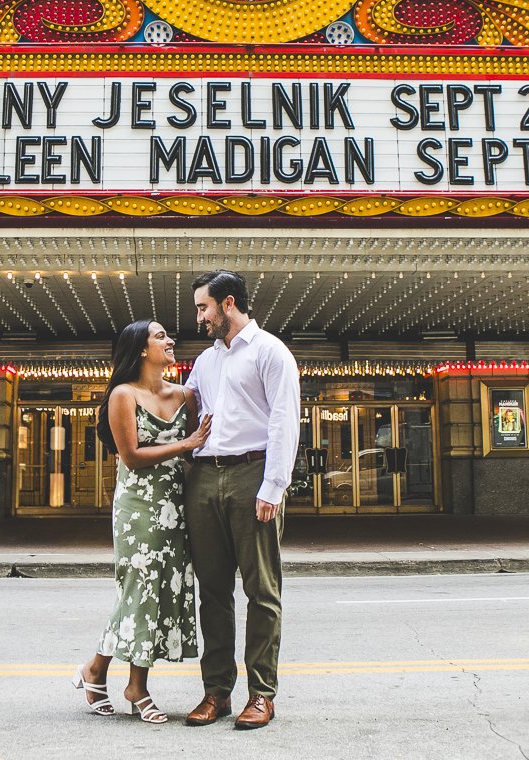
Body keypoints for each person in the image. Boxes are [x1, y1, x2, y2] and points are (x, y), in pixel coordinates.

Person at [73, 318, 210, 724]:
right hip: (138, 507)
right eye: (160, 336)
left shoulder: (186, 395)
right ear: (140, 350)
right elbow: (130, 455)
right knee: (140, 589)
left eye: (167, 335)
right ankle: (136, 687)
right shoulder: (122, 394)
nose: (169, 340)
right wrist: (185, 443)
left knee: (159, 589)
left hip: (176, 505)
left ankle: (96, 670)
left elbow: (194, 455)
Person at [182, 270, 299, 731]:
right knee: (210, 591)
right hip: (206, 478)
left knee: (261, 591)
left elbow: (284, 421)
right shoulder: (205, 361)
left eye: (203, 308)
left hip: (253, 471)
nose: (199, 318)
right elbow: (183, 402)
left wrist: (273, 486)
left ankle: (262, 695)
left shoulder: (271, 351)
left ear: (228, 304)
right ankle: (216, 692)